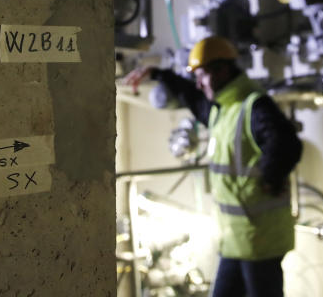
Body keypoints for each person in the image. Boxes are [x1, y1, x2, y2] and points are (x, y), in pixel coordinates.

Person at [124, 36, 302, 297]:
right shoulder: (222, 110)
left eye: (203, 75)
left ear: (223, 70)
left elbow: (287, 144)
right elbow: (192, 97)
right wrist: (159, 74)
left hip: (259, 241)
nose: (199, 82)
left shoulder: (252, 105)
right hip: (235, 240)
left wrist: (270, 178)